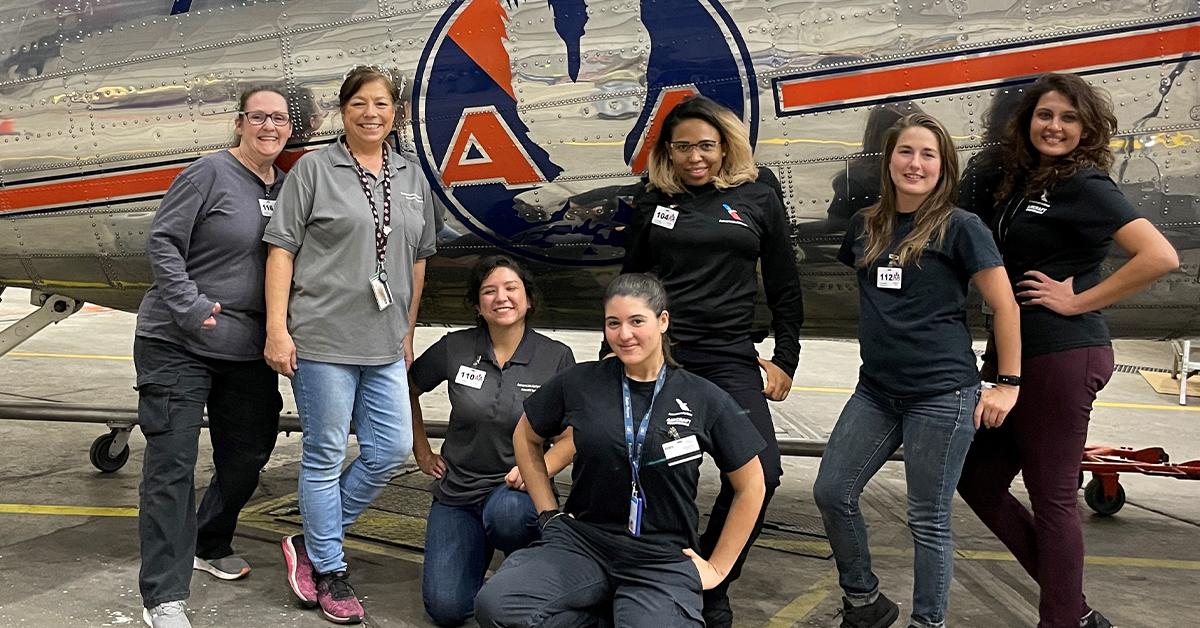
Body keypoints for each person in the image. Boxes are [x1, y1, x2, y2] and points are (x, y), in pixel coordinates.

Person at [956, 73, 1179, 628]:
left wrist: (1079, 301)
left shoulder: (1084, 183)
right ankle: (1073, 609)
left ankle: (1060, 620)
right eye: (1045, 115)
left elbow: (1159, 256)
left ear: (1086, 128)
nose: (1054, 126)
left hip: (1061, 353)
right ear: (1027, 121)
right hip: (1016, 355)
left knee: (1052, 497)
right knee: (977, 480)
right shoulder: (1022, 182)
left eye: (1068, 118)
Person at [813, 113, 1022, 628]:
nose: (915, 163)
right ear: (888, 161)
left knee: (927, 519)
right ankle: (865, 602)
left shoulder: (961, 227)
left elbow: (1006, 306)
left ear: (943, 167)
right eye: (906, 152)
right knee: (832, 491)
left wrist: (1008, 384)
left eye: (929, 154)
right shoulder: (865, 224)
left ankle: (929, 623)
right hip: (877, 392)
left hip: (941, 394)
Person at [474, 273, 766, 627]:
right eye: (614, 323)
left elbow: (752, 484)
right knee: (497, 607)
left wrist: (719, 566)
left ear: (663, 321)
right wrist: (547, 513)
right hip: (584, 542)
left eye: (636, 321)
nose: (624, 334)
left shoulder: (702, 396)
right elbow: (526, 436)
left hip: (660, 557)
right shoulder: (581, 383)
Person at [618, 94, 804, 627]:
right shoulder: (653, 200)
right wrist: (617, 351)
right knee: (654, 471)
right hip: (666, 356)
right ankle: (656, 577)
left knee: (760, 472)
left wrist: (785, 358)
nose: (695, 157)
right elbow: (631, 285)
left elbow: (786, 289)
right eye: (683, 147)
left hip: (728, 359)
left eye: (706, 145)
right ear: (668, 152)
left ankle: (711, 575)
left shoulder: (758, 197)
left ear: (725, 145)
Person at [263, 65, 437, 625]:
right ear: (344, 111)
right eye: (360, 103)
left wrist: (407, 331)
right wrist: (277, 329)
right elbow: (282, 251)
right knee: (324, 454)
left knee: (388, 451)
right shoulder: (314, 169)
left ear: (396, 114)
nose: (371, 113)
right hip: (322, 338)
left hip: (384, 342)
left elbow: (417, 262)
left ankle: (312, 545)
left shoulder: (411, 176)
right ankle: (332, 569)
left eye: (382, 104)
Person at [132, 85, 291, 628]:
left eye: (280, 119)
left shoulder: (289, 187)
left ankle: (210, 538)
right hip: (178, 341)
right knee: (171, 466)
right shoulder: (208, 173)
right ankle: (164, 598)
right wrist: (189, 305)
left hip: (246, 348)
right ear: (240, 122)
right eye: (259, 117)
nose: (269, 126)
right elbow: (162, 241)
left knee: (248, 453)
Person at [407, 255, 576, 626]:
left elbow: (570, 436)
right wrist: (421, 449)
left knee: (509, 516)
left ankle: (529, 577)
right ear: (477, 305)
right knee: (447, 610)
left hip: (515, 492)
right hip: (457, 492)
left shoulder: (555, 357)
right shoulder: (455, 347)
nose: (502, 297)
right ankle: (481, 571)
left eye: (511, 288)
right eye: (490, 291)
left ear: (528, 299)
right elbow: (407, 387)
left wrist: (537, 470)